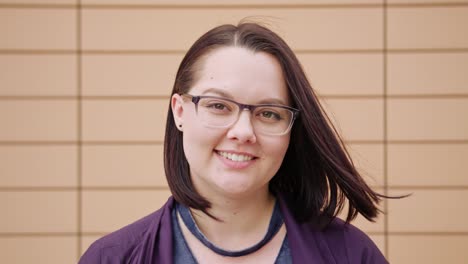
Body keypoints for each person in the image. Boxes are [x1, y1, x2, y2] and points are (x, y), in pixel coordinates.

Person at [79, 22, 388, 263]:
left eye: (268, 113)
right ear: (180, 111)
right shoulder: (111, 258)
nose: (243, 132)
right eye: (218, 106)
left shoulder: (352, 255)